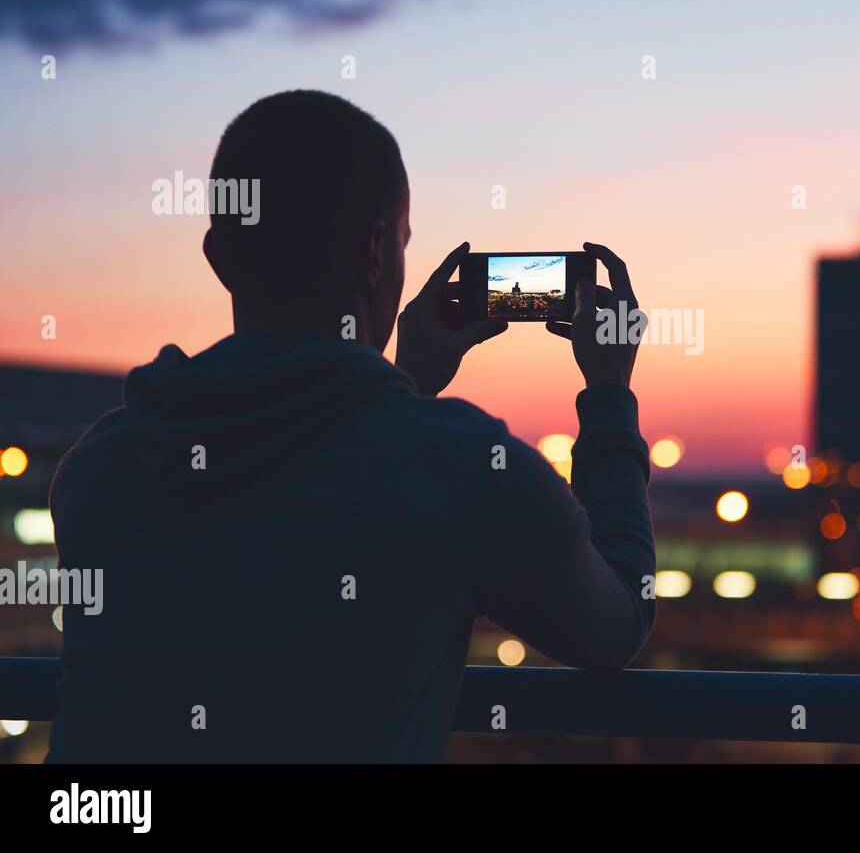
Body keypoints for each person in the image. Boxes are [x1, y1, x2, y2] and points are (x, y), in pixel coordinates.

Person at [46, 90, 654, 762]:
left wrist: (403, 379)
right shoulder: (463, 469)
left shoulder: (98, 468)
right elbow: (616, 622)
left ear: (218, 258)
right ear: (376, 254)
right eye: (399, 242)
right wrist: (607, 393)